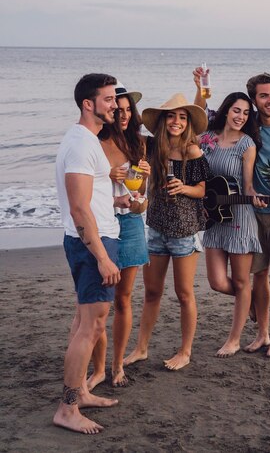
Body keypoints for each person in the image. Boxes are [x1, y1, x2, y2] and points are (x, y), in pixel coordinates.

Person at [194, 69, 270, 359]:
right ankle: (261, 332)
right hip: (250, 211)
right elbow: (204, 115)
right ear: (254, 100)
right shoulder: (248, 129)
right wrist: (202, 85)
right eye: (264, 96)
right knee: (258, 276)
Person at [54, 73, 131, 435]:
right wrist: (102, 256)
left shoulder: (83, 139)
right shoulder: (83, 144)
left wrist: (115, 200)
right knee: (93, 326)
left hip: (92, 237)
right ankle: (68, 408)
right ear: (89, 104)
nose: (115, 104)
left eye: (114, 99)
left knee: (83, 321)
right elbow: (79, 208)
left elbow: (90, 198)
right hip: (93, 243)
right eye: (108, 99)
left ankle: (80, 391)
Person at [124, 94, 210, 370]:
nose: (177, 121)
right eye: (171, 116)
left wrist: (183, 188)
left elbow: (202, 191)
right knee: (151, 292)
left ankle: (185, 351)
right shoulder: (149, 148)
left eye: (183, 117)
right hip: (157, 228)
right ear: (162, 120)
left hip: (184, 231)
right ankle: (141, 348)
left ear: (188, 124)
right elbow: (134, 187)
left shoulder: (193, 152)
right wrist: (139, 174)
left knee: (184, 293)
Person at [87, 82, 151, 390]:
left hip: (131, 226)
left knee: (124, 299)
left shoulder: (138, 144)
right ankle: (98, 368)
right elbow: (85, 194)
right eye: (118, 109)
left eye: (128, 110)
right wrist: (107, 178)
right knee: (102, 302)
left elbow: (141, 202)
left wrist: (139, 199)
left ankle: (116, 366)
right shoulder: (94, 144)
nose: (123, 115)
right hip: (101, 224)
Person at [199, 92, 263, 357]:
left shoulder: (246, 144)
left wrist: (254, 195)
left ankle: (234, 339)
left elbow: (247, 184)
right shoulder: (207, 139)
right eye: (237, 111)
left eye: (246, 113)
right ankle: (248, 301)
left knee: (240, 280)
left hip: (240, 217)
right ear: (226, 111)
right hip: (215, 217)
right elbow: (195, 115)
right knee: (216, 282)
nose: (241, 117)